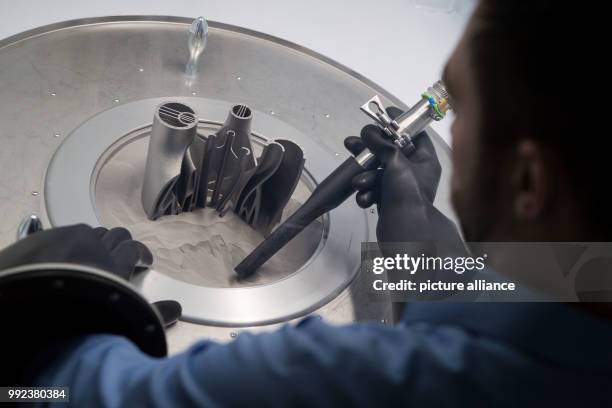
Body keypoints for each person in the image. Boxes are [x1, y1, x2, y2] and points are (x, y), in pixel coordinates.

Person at [1, 0, 608, 406]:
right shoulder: (591, 285)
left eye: (462, 108)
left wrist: (46, 308)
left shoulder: (342, 379)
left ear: (530, 182)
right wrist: (417, 237)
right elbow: (532, 308)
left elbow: (70, 396)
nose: (452, 131)